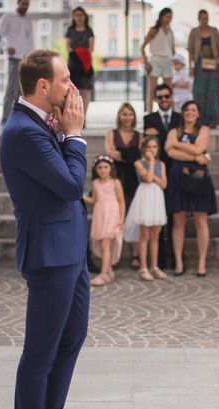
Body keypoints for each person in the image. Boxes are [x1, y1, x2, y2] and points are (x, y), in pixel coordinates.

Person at [0, 50, 87, 409]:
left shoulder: (39, 123)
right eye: (65, 79)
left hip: (70, 248)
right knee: (41, 349)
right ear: (42, 86)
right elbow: (72, 185)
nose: (71, 86)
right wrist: (74, 136)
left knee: (72, 337)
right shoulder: (24, 132)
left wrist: (63, 133)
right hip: (50, 253)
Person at [165, 100, 217, 276]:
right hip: (177, 175)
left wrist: (178, 145)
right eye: (187, 110)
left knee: (200, 220)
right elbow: (170, 152)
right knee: (178, 221)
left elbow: (199, 148)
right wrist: (195, 156)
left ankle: (202, 263)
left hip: (198, 177)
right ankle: (179, 263)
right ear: (183, 113)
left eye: (193, 110)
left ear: (198, 114)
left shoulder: (204, 130)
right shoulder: (173, 131)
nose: (190, 113)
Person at [143, 84, 181, 269]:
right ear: (156, 99)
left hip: (176, 172)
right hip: (156, 173)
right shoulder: (148, 118)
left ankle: (174, 258)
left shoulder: (180, 118)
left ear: (172, 97)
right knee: (156, 219)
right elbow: (148, 144)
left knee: (173, 217)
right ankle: (158, 260)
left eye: (167, 96)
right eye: (160, 97)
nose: (164, 99)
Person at [124, 136, 168, 281]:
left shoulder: (161, 164)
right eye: (148, 147)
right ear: (144, 148)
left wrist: (155, 174)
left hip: (157, 197)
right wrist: (150, 162)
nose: (151, 150)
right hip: (145, 196)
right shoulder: (139, 163)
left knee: (155, 234)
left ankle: (154, 266)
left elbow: (163, 184)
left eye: (154, 147)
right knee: (145, 235)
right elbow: (148, 179)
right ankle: (143, 267)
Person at [104, 102, 141, 269]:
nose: (127, 117)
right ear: (119, 116)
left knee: (134, 217)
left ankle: (135, 255)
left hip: (133, 177)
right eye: (124, 114)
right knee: (114, 217)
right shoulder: (111, 133)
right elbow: (110, 153)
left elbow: (139, 156)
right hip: (116, 176)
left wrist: (124, 154)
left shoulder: (139, 135)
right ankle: (112, 256)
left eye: (130, 114)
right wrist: (131, 155)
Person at [83, 156, 124, 286]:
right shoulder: (95, 183)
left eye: (105, 167)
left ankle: (103, 273)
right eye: (100, 167)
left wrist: (121, 218)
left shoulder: (115, 182)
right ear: (96, 169)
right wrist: (82, 196)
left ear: (110, 168)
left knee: (106, 244)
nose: (103, 170)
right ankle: (109, 271)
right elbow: (94, 200)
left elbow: (121, 201)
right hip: (100, 215)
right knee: (104, 244)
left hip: (112, 214)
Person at [0, 0, 33, 127]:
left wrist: (31, 58)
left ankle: (18, 119)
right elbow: (0, 35)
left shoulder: (28, 20)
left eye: (27, 4)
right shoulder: (8, 17)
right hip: (14, 57)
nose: (25, 6)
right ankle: (5, 120)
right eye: (23, 3)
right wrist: (7, 48)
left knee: (22, 91)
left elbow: (30, 40)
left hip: (25, 59)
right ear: (18, 3)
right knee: (11, 89)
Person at [187, 10, 219, 127]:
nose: (205, 20)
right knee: (199, 92)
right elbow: (191, 51)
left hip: (214, 64)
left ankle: (214, 119)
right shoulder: (194, 32)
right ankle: (200, 119)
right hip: (199, 65)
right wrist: (191, 67)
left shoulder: (214, 31)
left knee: (213, 92)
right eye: (203, 18)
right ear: (199, 18)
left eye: (207, 18)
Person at [142, 8, 174, 113]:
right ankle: (150, 115)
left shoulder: (170, 32)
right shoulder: (154, 30)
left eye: (170, 17)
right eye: (167, 17)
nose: (169, 19)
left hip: (168, 61)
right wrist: (146, 62)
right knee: (152, 91)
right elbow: (142, 47)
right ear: (161, 17)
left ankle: (170, 115)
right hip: (155, 60)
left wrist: (176, 61)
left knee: (169, 91)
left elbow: (172, 49)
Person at [65, 7, 94, 121]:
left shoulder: (89, 30)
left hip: (86, 64)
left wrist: (82, 56)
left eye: (81, 15)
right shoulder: (70, 30)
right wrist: (75, 55)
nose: (79, 17)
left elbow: (91, 48)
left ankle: (83, 117)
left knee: (85, 91)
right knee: (72, 91)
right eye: (76, 15)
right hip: (73, 64)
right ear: (74, 17)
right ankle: (74, 116)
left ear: (84, 16)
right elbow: (67, 46)